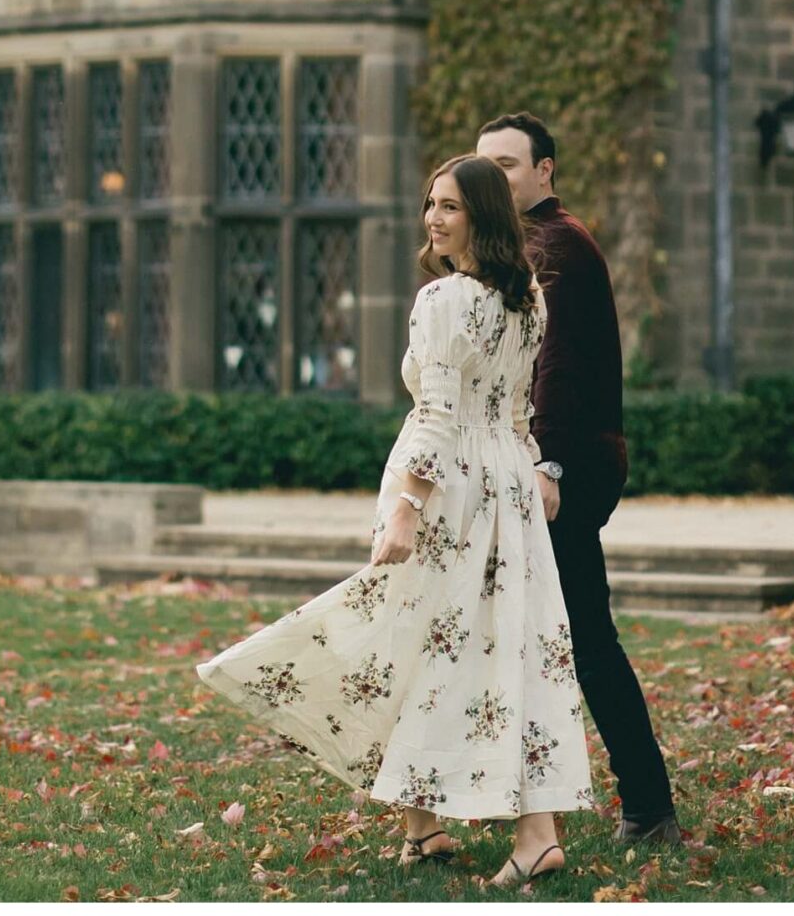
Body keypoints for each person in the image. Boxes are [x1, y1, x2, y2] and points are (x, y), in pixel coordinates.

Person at [198, 154, 593, 886]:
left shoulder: (443, 299)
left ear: (482, 216)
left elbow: (439, 415)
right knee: (487, 644)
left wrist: (406, 507)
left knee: (409, 638)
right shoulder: (527, 300)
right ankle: (428, 827)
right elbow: (516, 412)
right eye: (430, 204)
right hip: (505, 483)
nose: (433, 219)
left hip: (450, 486)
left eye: (450, 207)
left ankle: (521, 831)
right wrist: (530, 469)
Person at [476, 113, 682, 850]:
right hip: (542, 464)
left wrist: (548, 464)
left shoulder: (554, 245)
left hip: (564, 469)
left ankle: (647, 807)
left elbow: (556, 363)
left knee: (587, 639)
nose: (493, 177)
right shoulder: (518, 245)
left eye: (507, 164)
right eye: (484, 165)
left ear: (545, 171)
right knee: (556, 637)